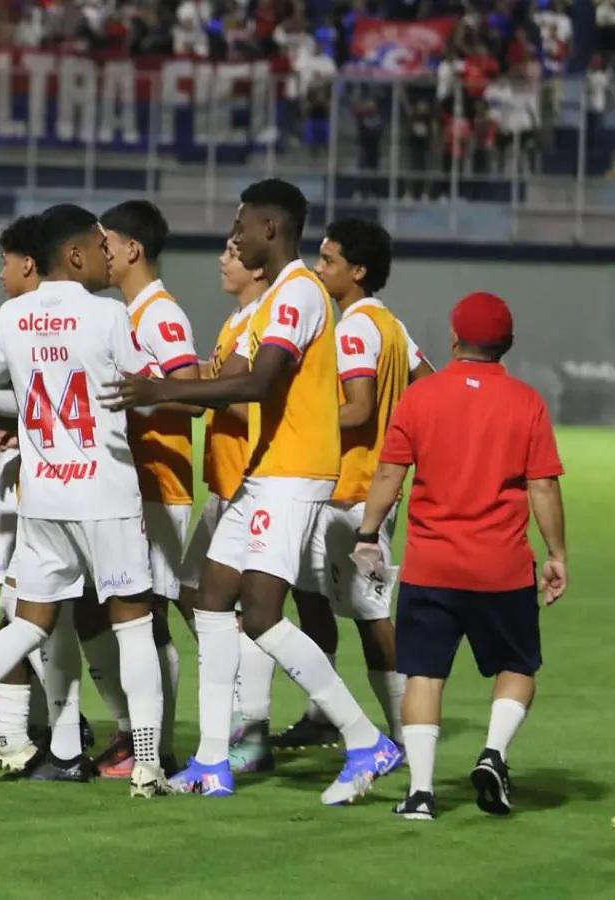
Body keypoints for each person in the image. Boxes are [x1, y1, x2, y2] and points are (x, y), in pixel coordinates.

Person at [102, 179, 401, 805]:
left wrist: (156, 392)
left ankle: (365, 737)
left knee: (262, 614)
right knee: (209, 600)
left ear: (269, 227)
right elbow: (225, 377)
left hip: (294, 473)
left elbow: (261, 383)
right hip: (258, 474)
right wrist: (148, 393)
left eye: (240, 224)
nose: (233, 237)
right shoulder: (264, 306)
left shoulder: (299, 294)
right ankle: (214, 760)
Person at [0, 204, 169, 800]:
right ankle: (150, 766)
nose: (109, 257)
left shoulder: (14, 315)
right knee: (134, 624)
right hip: (105, 491)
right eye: (101, 248)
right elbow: (147, 392)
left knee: (30, 621)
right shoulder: (109, 316)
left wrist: (31, 408)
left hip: (45, 493)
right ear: (75, 255)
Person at [352, 291, 567, 821]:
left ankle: (421, 794)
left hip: (432, 567)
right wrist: (556, 553)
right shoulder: (527, 403)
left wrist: (368, 532)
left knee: (424, 675)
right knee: (517, 665)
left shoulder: (421, 398)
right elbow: (542, 487)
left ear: (453, 339)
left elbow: (389, 474)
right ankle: (493, 752)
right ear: (508, 345)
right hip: (502, 567)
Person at [272, 218, 432, 752]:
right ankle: (323, 712)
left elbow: (358, 409)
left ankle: (406, 731)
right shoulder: (391, 326)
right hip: (346, 490)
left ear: (357, 271)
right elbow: (427, 385)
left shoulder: (354, 329)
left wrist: (299, 415)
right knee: (310, 596)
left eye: (330, 260)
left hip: (355, 493)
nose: (320, 268)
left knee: (370, 613)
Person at [87, 199, 201, 778]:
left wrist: (148, 392)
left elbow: (193, 391)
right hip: (135, 483)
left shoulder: (160, 314)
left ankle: (158, 745)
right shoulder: (130, 310)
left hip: (161, 482)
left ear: (132, 249)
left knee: (151, 616)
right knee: (130, 614)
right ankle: (141, 735)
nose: (100, 254)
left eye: (106, 244)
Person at [176, 238, 273, 774]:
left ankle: (252, 727)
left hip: (252, 483)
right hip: (226, 482)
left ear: (257, 269)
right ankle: (240, 706)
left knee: (252, 612)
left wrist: (193, 390)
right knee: (194, 592)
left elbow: (251, 398)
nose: (222, 259)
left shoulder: (262, 319)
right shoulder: (239, 319)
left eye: (234, 253)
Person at [0, 214, 50, 776]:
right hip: (42, 479)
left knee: (28, 609)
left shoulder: (21, 317)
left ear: (28, 263)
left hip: (52, 487)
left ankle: (23, 736)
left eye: (4, 261)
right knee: (25, 605)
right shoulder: (70, 316)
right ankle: (21, 736)